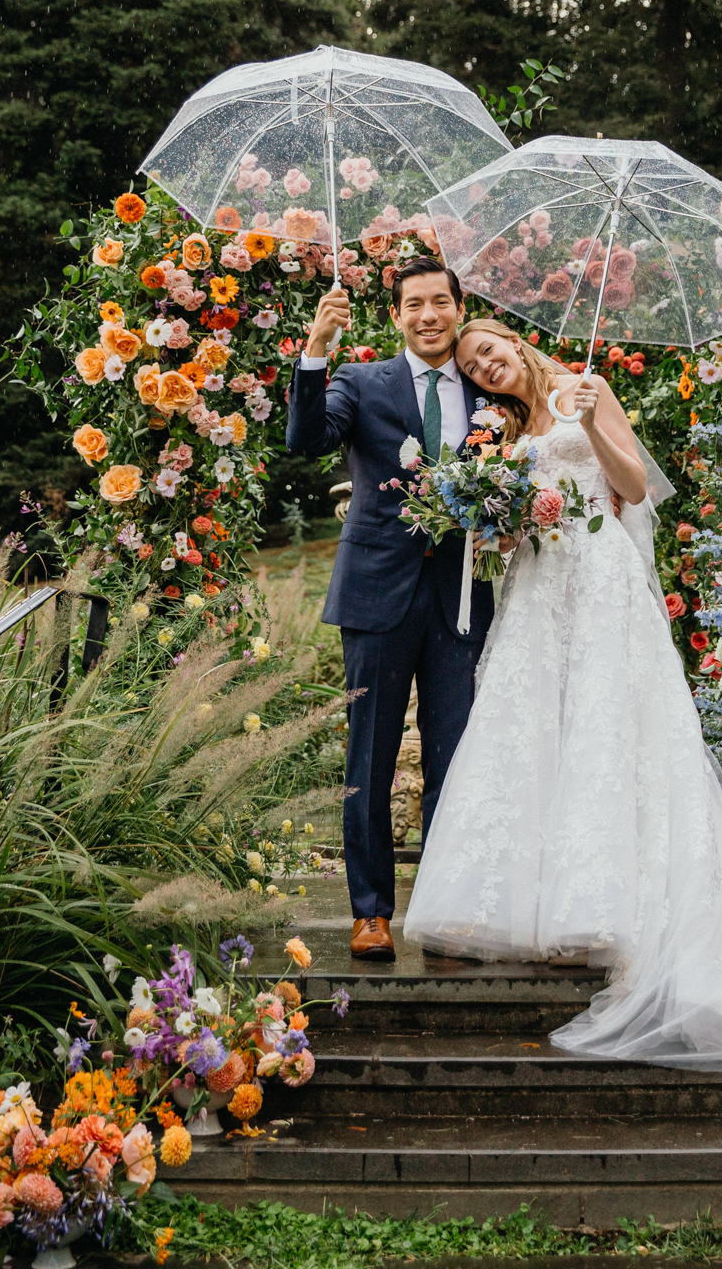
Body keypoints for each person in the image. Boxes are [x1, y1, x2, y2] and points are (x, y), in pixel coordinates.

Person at [403, 317, 722, 1071]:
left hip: (602, 579)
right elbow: (508, 532)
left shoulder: (584, 388)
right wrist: (498, 522)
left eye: (490, 351)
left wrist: (593, 418)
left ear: (514, 343)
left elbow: (632, 490)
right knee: (536, 732)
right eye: (473, 365)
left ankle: (617, 905)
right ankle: (542, 902)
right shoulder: (499, 431)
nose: (485, 367)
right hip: (539, 589)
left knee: (610, 731)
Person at [286, 260, 494, 961]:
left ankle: (442, 905)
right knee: (369, 757)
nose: (429, 314)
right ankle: (370, 911)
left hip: (462, 596)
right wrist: (315, 350)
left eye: (441, 301)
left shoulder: (489, 386)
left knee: (454, 757)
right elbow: (306, 440)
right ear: (397, 316)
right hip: (377, 590)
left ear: (460, 308)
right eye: (415, 305)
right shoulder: (359, 381)